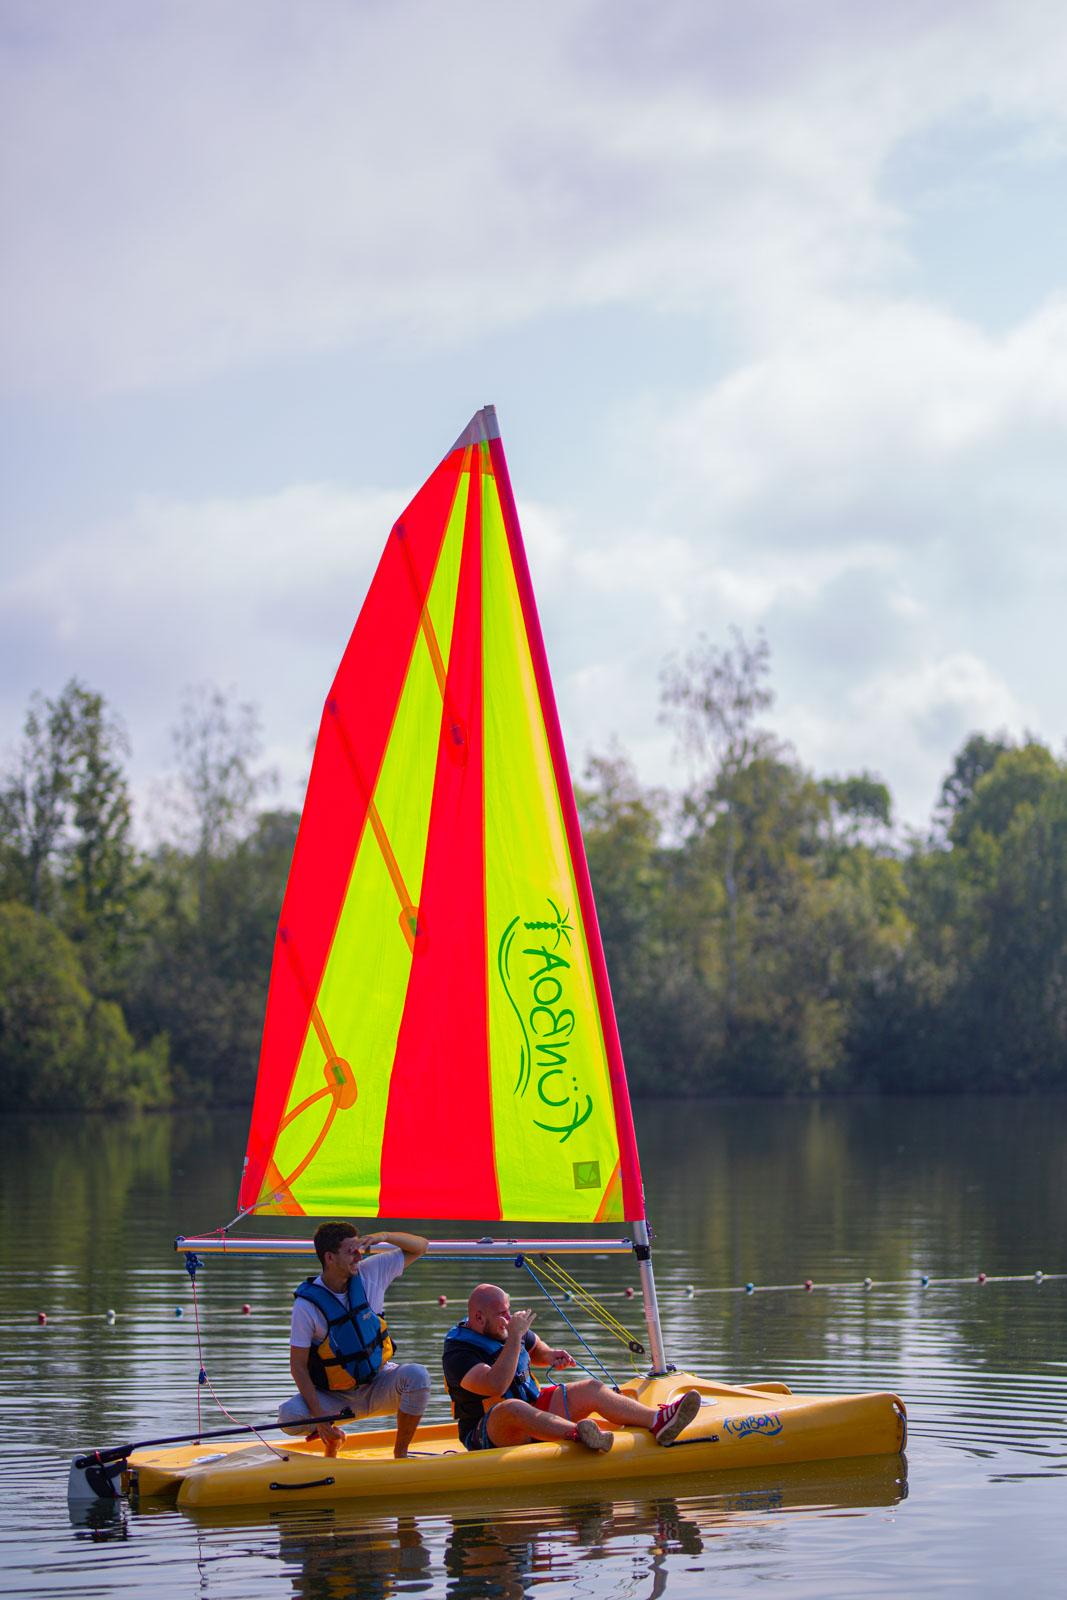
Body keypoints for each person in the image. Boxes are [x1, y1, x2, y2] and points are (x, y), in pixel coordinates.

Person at [442, 1283, 702, 1453]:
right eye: (502, 1314)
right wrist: (513, 1337)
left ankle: (658, 1421)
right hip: (489, 1432)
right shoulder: (458, 1353)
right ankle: (579, 1434)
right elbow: (495, 1385)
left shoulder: (505, 1327)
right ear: (478, 1318)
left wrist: (551, 1355)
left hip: (534, 1409)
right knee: (510, 1408)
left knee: (590, 1388)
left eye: (509, 1312)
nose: (509, 1319)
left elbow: (536, 1349)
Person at [279, 1220, 431, 1458]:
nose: (358, 1257)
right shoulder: (306, 1306)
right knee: (289, 1417)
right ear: (330, 1258)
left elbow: (421, 1246)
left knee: (418, 1376)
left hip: (379, 1383)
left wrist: (384, 1235)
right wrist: (321, 1419)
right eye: (351, 1252)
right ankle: (333, 1437)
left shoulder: (372, 1272)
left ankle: (400, 1453)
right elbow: (298, 1366)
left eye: (359, 1250)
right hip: (335, 1397)